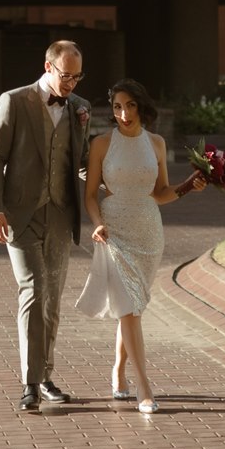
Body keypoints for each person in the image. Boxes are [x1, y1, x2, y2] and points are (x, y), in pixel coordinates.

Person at [73, 79, 204, 414]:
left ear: (140, 106)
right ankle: (144, 387)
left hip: (148, 232)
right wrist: (98, 222)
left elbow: (160, 192)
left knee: (132, 307)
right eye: (117, 107)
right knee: (129, 308)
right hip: (115, 231)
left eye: (129, 105)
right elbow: (90, 196)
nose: (123, 114)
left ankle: (117, 370)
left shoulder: (156, 143)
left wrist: (189, 187)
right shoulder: (102, 144)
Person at [0, 41, 92, 413]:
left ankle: (46, 376)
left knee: (54, 299)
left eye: (78, 77)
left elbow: (81, 162)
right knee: (34, 290)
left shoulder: (80, 109)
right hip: (19, 215)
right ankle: (30, 382)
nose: (71, 84)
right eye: (66, 76)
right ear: (48, 66)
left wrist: (113, 183)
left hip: (61, 214)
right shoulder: (13, 101)